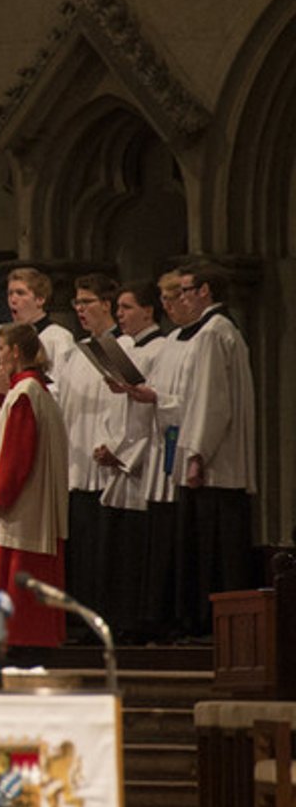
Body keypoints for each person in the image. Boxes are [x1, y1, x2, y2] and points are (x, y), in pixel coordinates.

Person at [0, 322, 70, 649]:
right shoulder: (35, 390)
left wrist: (1, 494)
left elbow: (17, 451)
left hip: (22, 505)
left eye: (0, 351)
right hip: (31, 503)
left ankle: (18, 640)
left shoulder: (24, 394)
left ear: (14, 351)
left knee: (15, 574)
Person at [165, 257, 256, 636]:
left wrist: (197, 455)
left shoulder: (212, 334)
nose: (180, 299)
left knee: (214, 550)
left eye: (185, 291)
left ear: (205, 291)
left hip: (215, 465)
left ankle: (210, 627)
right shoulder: (221, 330)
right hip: (219, 459)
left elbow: (210, 401)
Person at [56, 273, 129, 632]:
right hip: (75, 463)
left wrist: (114, 444)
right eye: (76, 303)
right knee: (81, 547)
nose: (80, 309)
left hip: (108, 464)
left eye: (86, 302)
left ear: (106, 304)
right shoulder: (76, 351)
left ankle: (107, 621)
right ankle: (79, 622)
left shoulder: (124, 346)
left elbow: (127, 404)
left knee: (107, 549)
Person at [114, 279, 178, 641]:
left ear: (147, 311)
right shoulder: (133, 347)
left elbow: (167, 401)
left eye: (125, 307)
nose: (119, 315)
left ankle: (150, 619)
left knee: (147, 544)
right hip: (129, 452)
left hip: (150, 453)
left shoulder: (161, 347)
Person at [6, 266, 77, 380]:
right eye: (10, 293)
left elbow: (61, 383)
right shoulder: (9, 339)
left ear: (40, 299)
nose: (13, 300)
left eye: (20, 293)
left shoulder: (58, 337)